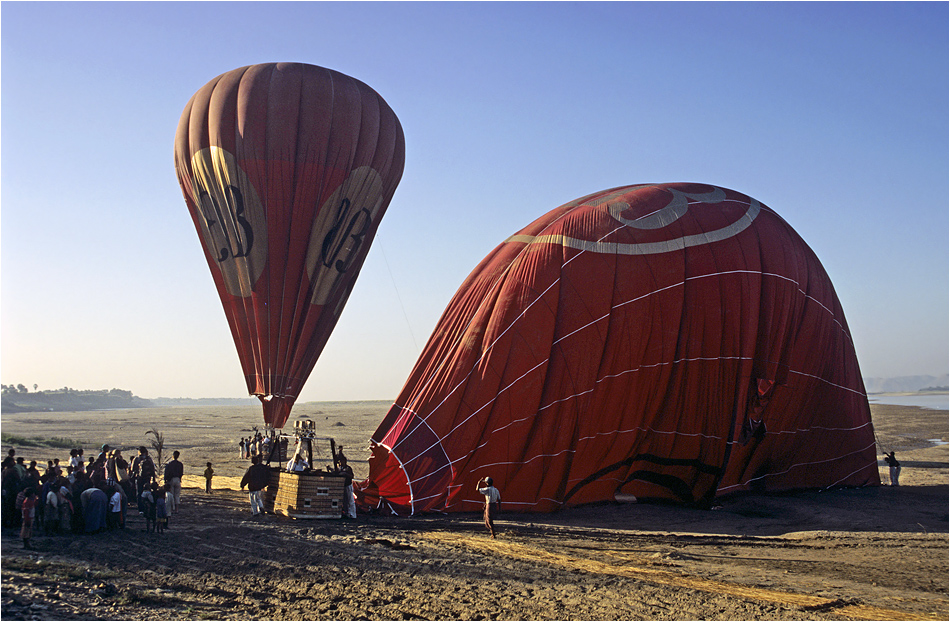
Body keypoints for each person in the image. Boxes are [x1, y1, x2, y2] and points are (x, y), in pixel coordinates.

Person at [338, 455, 356, 519]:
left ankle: (352, 514)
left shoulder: (348, 468)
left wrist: (345, 474)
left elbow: (351, 476)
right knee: (344, 501)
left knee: (350, 500)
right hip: (343, 485)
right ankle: (346, 512)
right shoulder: (339, 468)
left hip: (348, 485)